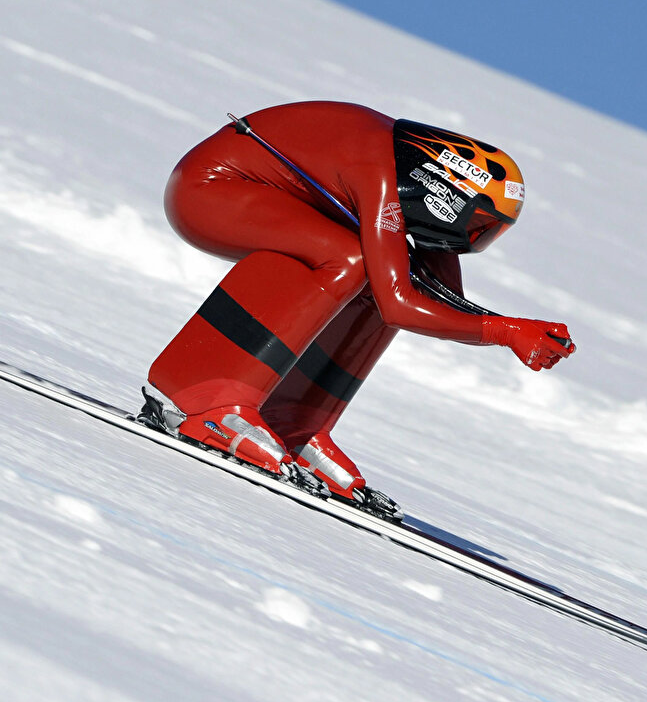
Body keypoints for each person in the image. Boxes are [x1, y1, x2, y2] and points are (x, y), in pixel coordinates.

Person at [146, 101, 573, 515]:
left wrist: (513, 327)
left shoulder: (406, 177)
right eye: (477, 225)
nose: (472, 240)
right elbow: (399, 306)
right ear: (445, 194)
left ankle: (293, 422)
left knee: (383, 270)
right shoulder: (379, 171)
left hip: (251, 193)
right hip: (206, 190)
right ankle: (204, 398)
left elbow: (433, 294)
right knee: (348, 258)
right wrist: (507, 331)